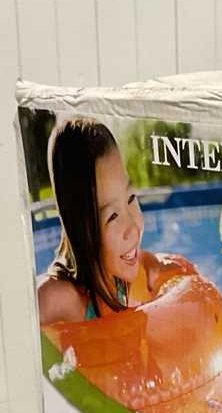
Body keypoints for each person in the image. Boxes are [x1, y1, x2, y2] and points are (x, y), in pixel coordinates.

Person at [35, 117, 191, 325]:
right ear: (82, 230)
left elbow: (155, 265)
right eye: (112, 216)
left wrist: (162, 269)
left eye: (131, 198)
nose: (133, 228)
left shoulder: (125, 278)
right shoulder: (62, 299)